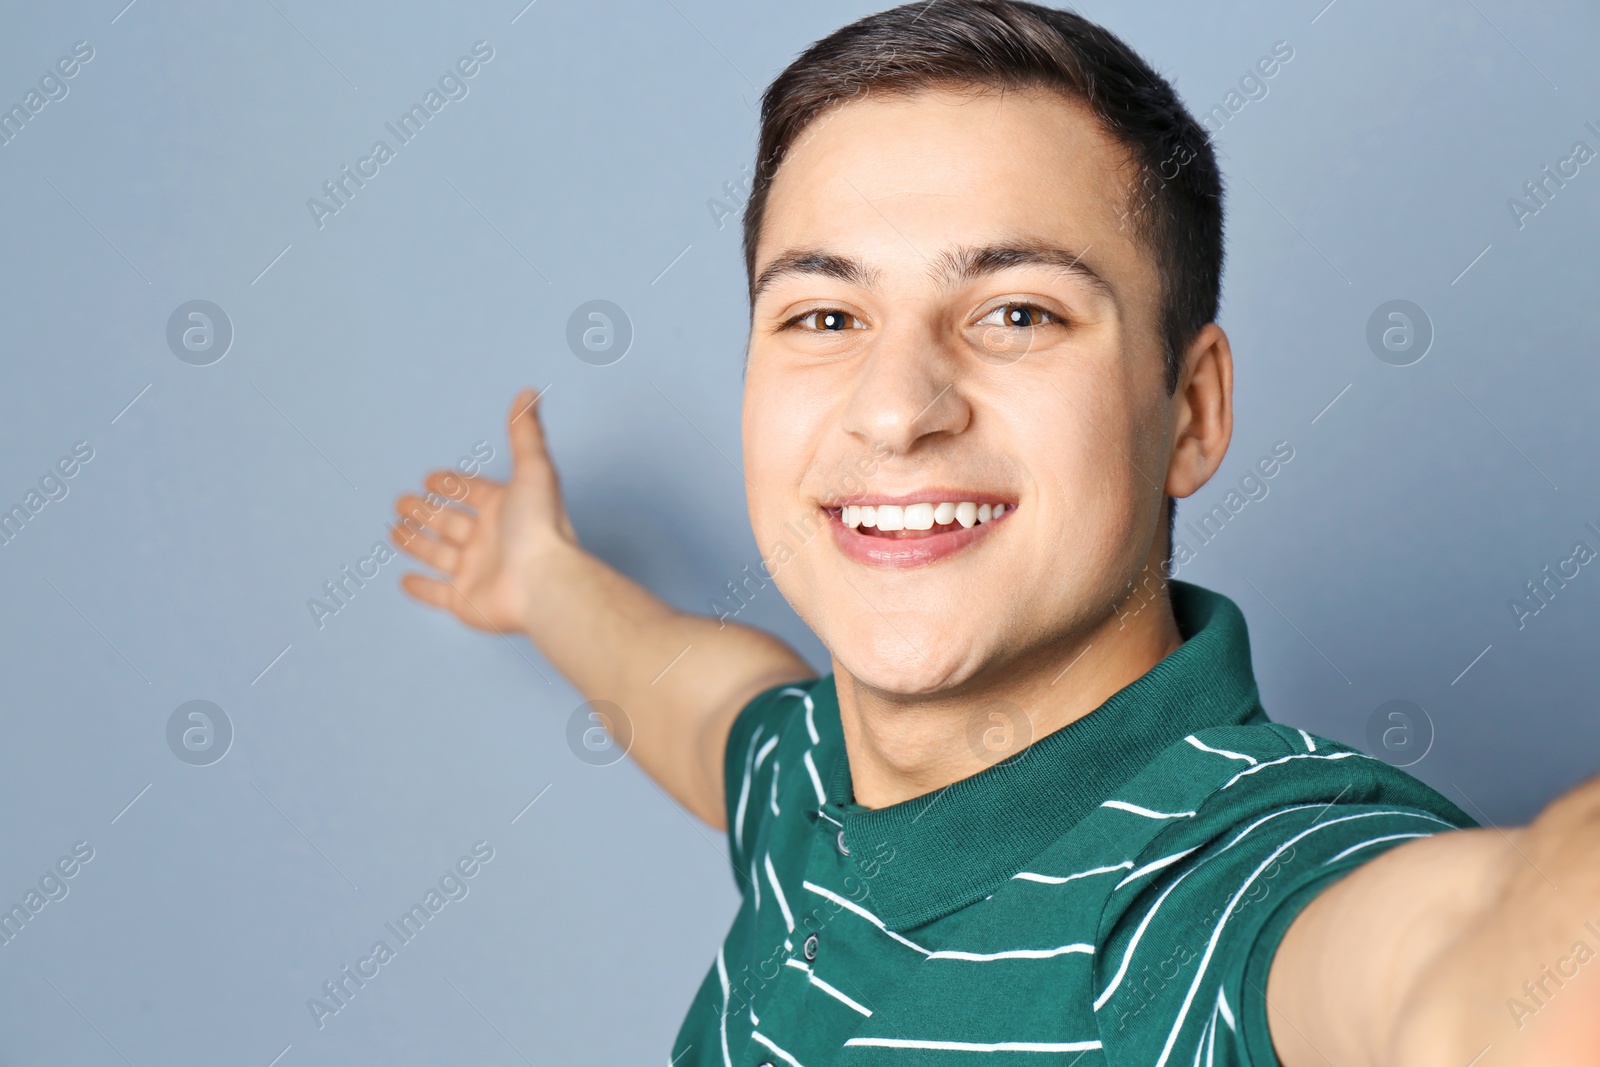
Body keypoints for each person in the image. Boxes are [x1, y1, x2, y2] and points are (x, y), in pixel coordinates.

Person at [389, 2, 1600, 1063]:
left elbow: (1459, 962)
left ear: (1190, 411)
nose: (896, 406)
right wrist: (540, 578)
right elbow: (706, 703)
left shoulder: (1226, 901)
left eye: (1016, 311)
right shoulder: (810, 782)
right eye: (822, 313)